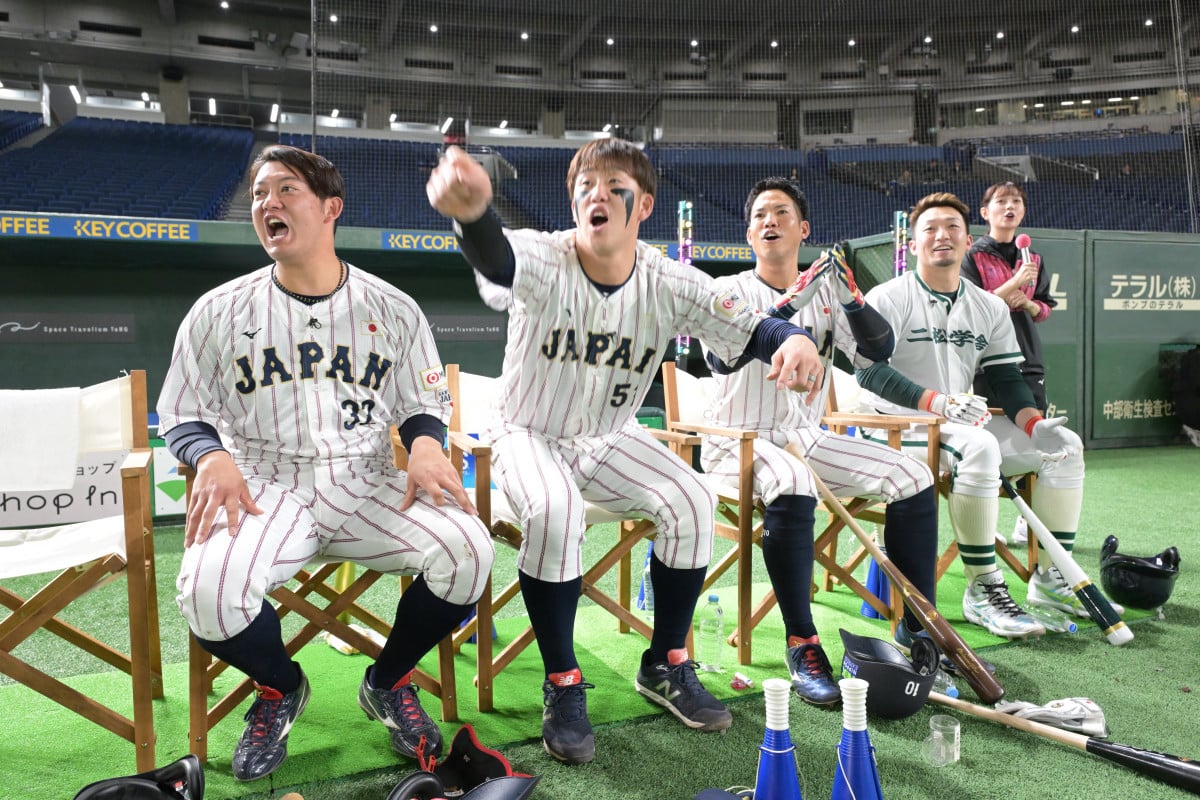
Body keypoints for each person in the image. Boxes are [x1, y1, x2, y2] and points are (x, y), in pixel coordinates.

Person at [426, 139, 824, 765]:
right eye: (587, 185)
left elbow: (750, 327)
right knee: (555, 511)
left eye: (617, 187)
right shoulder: (546, 255)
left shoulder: (669, 280)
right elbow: (497, 259)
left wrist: (793, 338)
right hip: (528, 432)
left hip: (611, 434)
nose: (599, 195)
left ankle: (664, 662)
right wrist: (473, 214)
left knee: (691, 499)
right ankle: (562, 681)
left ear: (644, 206)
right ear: (573, 202)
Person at [158, 145, 494, 782]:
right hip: (264, 486)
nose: (268, 203)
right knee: (206, 592)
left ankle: (388, 681)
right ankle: (281, 687)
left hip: (365, 481)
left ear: (330, 208)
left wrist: (425, 445)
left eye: (286, 189)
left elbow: (423, 403)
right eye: (260, 193)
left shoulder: (392, 306)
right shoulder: (218, 310)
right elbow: (179, 412)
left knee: (471, 553)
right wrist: (209, 455)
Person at [701, 177, 941, 706]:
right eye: (760, 215)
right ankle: (802, 642)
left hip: (807, 436)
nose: (770, 221)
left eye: (782, 213)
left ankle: (918, 624)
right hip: (737, 441)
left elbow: (876, 354)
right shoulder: (728, 291)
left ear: (803, 229)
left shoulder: (828, 295)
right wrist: (790, 305)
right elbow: (724, 357)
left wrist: (851, 297)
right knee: (792, 483)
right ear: (749, 234)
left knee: (914, 475)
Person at [855, 192, 1116, 639]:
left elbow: (1006, 378)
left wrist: (1033, 424)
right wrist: (937, 402)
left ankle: (1051, 580)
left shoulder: (989, 305)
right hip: (892, 428)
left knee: (1066, 446)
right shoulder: (887, 297)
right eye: (930, 229)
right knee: (979, 445)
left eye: (952, 227)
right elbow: (868, 372)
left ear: (967, 240)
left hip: (954, 426)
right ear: (913, 245)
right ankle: (982, 589)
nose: (942, 235)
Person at [962, 182, 1056, 545]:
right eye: (1001, 201)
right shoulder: (973, 255)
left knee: (1038, 437)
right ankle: (985, 523)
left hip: (1027, 358)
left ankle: (1027, 521)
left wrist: (1030, 304)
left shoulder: (1034, 259)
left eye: (1016, 201)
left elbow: (1044, 307)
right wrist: (1012, 285)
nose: (1010, 206)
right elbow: (972, 304)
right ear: (985, 212)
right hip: (985, 360)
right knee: (988, 443)